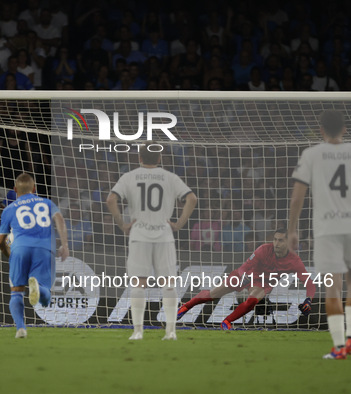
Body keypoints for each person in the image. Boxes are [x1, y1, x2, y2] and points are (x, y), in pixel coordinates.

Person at [106, 147, 197, 340]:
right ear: (160, 157)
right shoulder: (170, 177)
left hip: (139, 234)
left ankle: (138, 331)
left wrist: (122, 224)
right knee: (169, 286)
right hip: (164, 234)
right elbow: (192, 198)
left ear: (139, 157)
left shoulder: (130, 176)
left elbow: (111, 199)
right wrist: (178, 224)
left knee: (138, 285)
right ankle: (171, 331)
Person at [288, 110, 351, 359]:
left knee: (332, 290)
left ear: (321, 130)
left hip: (327, 230)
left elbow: (297, 197)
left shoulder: (311, 154)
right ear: (345, 129)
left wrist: (293, 229)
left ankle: (338, 347)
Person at [178, 229, 315, 328]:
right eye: (275, 239)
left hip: (263, 283)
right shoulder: (263, 249)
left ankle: (226, 322)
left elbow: (309, 282)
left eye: (280, 240)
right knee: (212, 295)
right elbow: (245, 266)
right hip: (246, 274)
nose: (276, 243)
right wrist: (244, 277)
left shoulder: (294, 261)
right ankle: (185, 307)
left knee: (253, 299)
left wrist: (308, 300)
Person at [0, 173, 69, 338]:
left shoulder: (9, 209)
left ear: (15, 190)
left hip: (19, 248)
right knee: (45, 297)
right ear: (34, 188)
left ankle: (21, 329)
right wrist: (65, 245)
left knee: (16, 291)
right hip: (44, 249)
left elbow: (0, 241)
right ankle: (39, 287)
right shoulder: (47, 202)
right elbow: (60, 220)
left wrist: (8, 253)